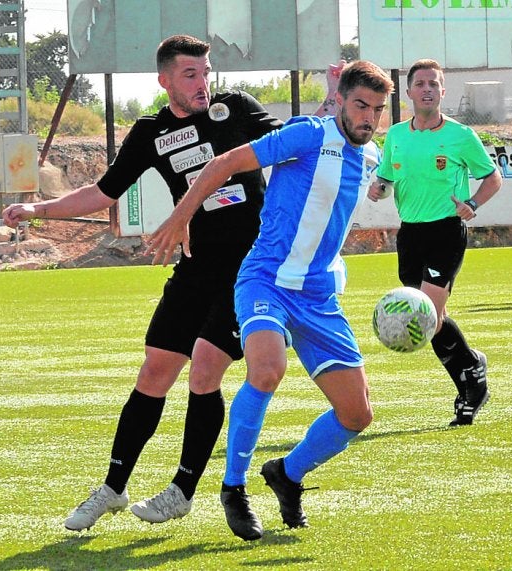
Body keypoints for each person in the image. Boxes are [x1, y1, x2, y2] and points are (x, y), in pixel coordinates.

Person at [3, 35, 341, 532]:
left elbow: (302, 135)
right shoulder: (150, 131)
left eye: (206, 73)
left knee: (205, 370)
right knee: (154, 372)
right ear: (164, 81)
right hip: (196, 267)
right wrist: (37, 208)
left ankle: (182, 490)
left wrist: (333, 97)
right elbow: (102, 191)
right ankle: (112, 488)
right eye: (191, 75)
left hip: (250, 271)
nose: (203, 83)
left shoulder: (236, 110)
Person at [145, 60, 394, 541]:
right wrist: (182, 216)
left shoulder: (369, 155)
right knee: (266, 370)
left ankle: (287, 473)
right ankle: (233, 487)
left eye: (378, 109)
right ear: (340, 100)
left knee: (357, 415)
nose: (369, 117)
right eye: (361, 105)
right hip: (267, 280)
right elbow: (223, 163)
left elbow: (360, 195)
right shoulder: (305, 135)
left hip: (318, 295)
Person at [368, 59, 502, 427]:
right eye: (421, 83)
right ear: (409, 91)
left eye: (434, 84)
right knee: (429, 318)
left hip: (445, 230)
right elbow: (383, 178)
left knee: (426, 313)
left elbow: (493, 178)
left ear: (443, 92)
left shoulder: (460, 135)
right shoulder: (395, 135)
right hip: (409, 233)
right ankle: (472, 365)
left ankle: (471, 386)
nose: (427, 88)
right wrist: (378, 188)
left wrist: (472, 204)